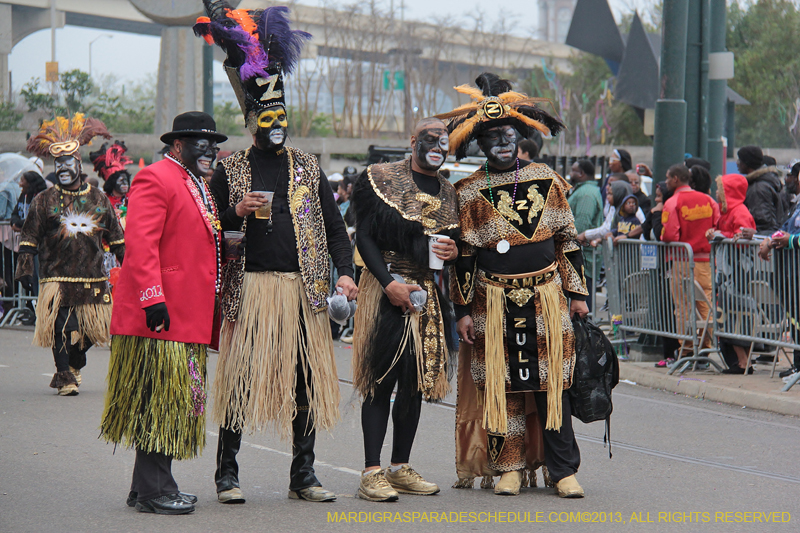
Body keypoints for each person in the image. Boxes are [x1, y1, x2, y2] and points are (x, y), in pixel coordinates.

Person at [196, 3, 357, 504]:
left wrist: (346, 273)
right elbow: (210, 230)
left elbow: (334, 227)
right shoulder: (229, 170)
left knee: (307, 381)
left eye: (281, 115)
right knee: (240, 382)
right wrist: (234, 212)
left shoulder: (308, 166)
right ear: (251, 122)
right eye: (267, 116)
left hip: (304, 292)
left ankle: (303, 475)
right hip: (252, 290)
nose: (276, 122)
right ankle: (227, 475)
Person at [440, 73, 588, 498]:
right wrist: (462, 311)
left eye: (507, 135)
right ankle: (508, 468)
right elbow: (464, 257)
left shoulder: (547, 179)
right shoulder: (468, 192)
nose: (502, 144)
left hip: (547, 298)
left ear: (518, 137)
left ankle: (563, 471)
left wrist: (577, 295)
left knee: (552, 385)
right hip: (492, 302)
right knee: (500, 387)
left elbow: (567, 242)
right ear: (480, 144)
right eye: (492, 138)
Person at [99, 111, 225, 515]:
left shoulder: (195, 183)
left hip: (187, 316)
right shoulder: (156, 177)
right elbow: (141, 244)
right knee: (160, 402)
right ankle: (156, 491)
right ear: (178, 145)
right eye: (202, 144)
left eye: (214, 145)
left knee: (173, 402)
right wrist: (153, 298)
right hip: (160, 317)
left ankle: (145, 488)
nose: (211, 151)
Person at [350, 117, 459, 502]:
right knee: (380, 380)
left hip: (426, 293)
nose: (438, 147)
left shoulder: (449, 192)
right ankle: (371, 472)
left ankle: (399, 467)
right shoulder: (380, 177)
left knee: (414, 384)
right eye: (430, 139)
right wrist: (388, 283)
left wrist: (454, 251)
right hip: (386, 287)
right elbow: (364, 237)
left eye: (444, 142)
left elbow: (453, 247)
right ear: (413, 141)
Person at [16, 113, 122, 396]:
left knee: (95, 330)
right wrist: (24, 268)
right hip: (56, 277)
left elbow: (116, 236)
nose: (62, 168)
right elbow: (29, 236)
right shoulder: (44, 199)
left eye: (67, 163)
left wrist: (131, 264)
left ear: (78, 164)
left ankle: (75, 359)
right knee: (61, 327)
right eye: (58, 163)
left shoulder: (98, 197)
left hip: (92, 277)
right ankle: (64, 376)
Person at [661, 164, 720, 356]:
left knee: (683, 305)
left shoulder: (673, 202)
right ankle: (706, 347)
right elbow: (717, 226)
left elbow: (669, 234)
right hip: (706, 261)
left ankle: (686, 348)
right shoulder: (708, 201)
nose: (666, 182)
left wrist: (662, 237)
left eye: (668, 178)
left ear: (676, 179)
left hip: (683, 260)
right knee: (706, 305)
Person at [704, 173, 756, 374]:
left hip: (738, 276)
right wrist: (713, 233)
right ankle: (741, 361)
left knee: (737, 317)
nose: (717, 193)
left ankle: (744, 362)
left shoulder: (739, 211)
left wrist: (720, 235)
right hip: (727, 275)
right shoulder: (726, 212)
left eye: (721, 190)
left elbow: (741, 237)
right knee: (727, 317)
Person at [567, 159, 603, 310]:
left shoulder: (586, 194)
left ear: (581, 173)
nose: (570, 173)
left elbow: (582, 222)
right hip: (581, 258)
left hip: (583, 259)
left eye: (573, 170)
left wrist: (570, 240)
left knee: (582, 304)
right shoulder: (583, 191)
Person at [737, 146, 783, 234]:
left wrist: (755, 235)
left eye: (740, 160)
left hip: (762, 240)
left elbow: (763, 222)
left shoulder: (758, 189)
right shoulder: (763, 183)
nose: (737, 163)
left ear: (746, 163)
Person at [91, 141, 133, 217]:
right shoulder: (103, 201)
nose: (125, 183)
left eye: (126, 180)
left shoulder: (133, 198)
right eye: (121, 181)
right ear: (112, 183)